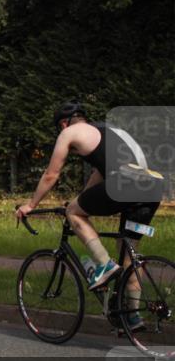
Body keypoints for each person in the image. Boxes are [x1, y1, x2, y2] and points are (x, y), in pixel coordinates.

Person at [15, 102, 162, 329]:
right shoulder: (108, 130)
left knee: (73, 212)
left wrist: (31, 205)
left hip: (126, 183)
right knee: (129, 255)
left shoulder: (69, 133)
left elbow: (51, 175)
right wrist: (81, 199)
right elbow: (99, 175)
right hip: (152, 187)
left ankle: (103, 265)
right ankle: (132, 316)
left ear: (63, 124)